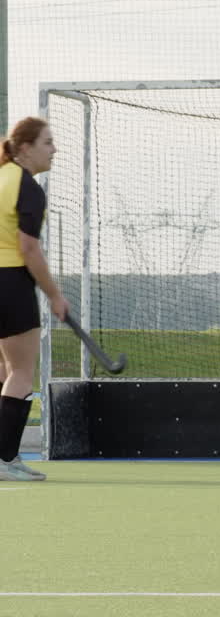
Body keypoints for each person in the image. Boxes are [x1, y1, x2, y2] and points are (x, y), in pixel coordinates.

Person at [0, 117, 69, 481]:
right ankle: (5, 459)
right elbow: (29, 248)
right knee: (22, 372)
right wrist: (55, 295)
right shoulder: (27, 188)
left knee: (1, 370)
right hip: (10, 282)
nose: (54, 149)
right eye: (47, 142)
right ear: (25, 148)